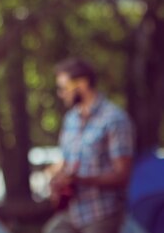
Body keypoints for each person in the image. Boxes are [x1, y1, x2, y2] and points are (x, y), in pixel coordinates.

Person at [42, 58, 134, 233]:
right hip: (73, 212)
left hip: (102, 213)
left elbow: (123, 176)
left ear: (82, 84)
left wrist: (80, 179)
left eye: (63, 87)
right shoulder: (70, 119)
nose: (61, 94)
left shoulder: (114, 119)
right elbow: (67, 162)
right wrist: (57, 179)